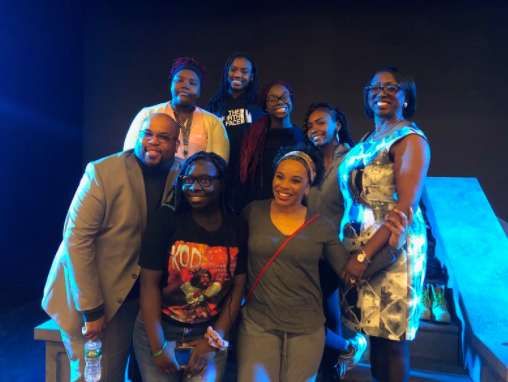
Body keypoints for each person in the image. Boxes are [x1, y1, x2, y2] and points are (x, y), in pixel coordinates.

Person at [237, 146, 411, 382]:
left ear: (308, 187)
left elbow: (350, 274)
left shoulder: (320, 225)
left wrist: (391, 248)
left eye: (296, 180)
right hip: (258, 325)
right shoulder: (253, 212)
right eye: (280, 177)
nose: (284, 185)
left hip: (306, 329)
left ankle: (349, 346)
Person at [42, 113, 183, 381]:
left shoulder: (182, 173)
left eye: (164, 137)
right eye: (147, 133)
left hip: (144, 300)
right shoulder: (102, 172)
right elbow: (76, 239)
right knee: (98, 377)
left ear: (176, 144)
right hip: (96, 297)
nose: (153, 141)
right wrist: (92, 309)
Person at [338, 67, 430, 382]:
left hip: (391, 249)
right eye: (375, 87)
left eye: (392, 87)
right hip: (359, 247)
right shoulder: (367, 139)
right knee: (373, 333)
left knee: (391, 336)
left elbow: (405, 207)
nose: (382, 92)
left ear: (406, 98)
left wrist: (365, 256)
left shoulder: (410, 139)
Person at [134, 152, 247, 381]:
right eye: (188, 180)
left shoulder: (236, 227)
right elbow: (148, 286)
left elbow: (237, 289)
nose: (194, 187)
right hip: (161, 331)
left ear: (222, 183)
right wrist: (158, 346)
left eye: (205, 180)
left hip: (208, 332)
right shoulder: (165, 219)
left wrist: (214, 340)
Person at [302, 103, 365, 379]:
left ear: (337, 124)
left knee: (311, 312)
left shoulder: (352, 159)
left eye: (321, 122)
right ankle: (338, 360)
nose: (314, 129)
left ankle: (344, 350)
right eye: (310, 125)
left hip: (338, 250)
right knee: (327, 312)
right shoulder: (307, 161)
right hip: (307, 249)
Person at [124, 57, 230, 162]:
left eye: (193, 83)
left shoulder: (213, 122)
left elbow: (219, 166)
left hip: (195, 179)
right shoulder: (147, 114)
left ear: (199, 91)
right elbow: (128, 157)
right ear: (171, 84)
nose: (185, 86)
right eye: (179, 80)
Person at [234, 81, 304, 211]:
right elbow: (241, 179)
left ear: (291, 99)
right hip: (260, 213)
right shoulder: (254, 140)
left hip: (295, 211)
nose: (280, 101)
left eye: (284, 97)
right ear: (265, 106)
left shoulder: (303, 137)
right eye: (272, 99)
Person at [205, 52, 264, 173]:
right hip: (219, 171)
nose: (238, 75)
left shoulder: (260, 104)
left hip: (250, 173)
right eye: (233, 69)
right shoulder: (215, 104)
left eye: (244, 71)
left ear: (251, 76)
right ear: (227, 72)